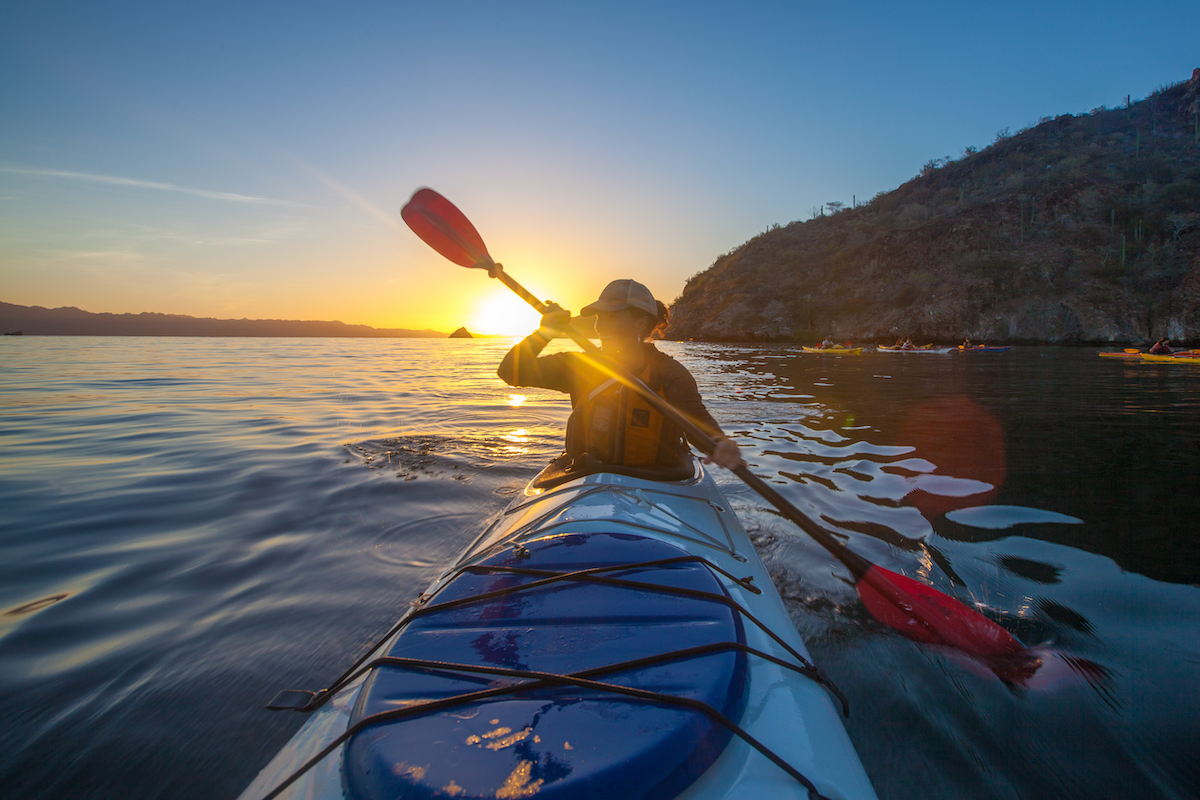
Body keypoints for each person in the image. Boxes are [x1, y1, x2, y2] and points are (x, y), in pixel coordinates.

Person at [497, 274, 743, 477]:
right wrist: (545, 333)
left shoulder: (670, 373)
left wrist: (719, 442)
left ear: (640, 323)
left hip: (658, 478)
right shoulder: (579, 366)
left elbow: (696, 420)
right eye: (599, 317)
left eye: (612, 316)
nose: (601, 325)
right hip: (589, 476)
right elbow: (510, 372)